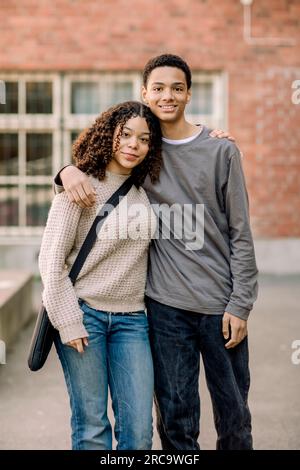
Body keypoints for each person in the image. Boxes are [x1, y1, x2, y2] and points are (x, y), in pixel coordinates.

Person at [55, 54, 258, 450]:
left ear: (188, 94)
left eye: (177, 88)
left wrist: (241, 303)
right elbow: (99, 161)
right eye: (159, 88)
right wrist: (65, 170)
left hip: (220, 306)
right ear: (144, 93)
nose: (168, 96)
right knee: (176, 425)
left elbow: (241, 234)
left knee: (234, 420)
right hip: (164, 309)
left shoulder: (221, 152)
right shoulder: (141, 151)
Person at [39, 101, 162, 450]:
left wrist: (217, 139)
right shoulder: (79, 187)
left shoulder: (145, 191)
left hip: (133, 321)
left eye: (144, 139)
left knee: (138, 434)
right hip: (84, 316)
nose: (133, 144)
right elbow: (51, 261)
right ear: (108, 134)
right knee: (92, 428)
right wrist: (68, 320)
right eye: (125, 135)